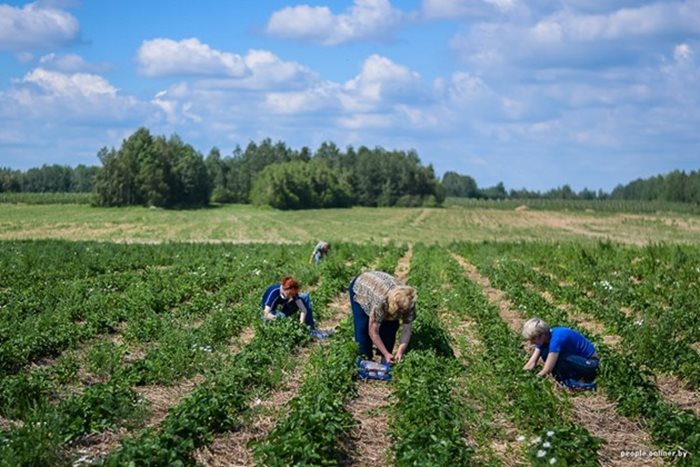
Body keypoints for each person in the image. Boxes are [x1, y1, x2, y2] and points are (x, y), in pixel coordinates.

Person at [349, 271, 416, 364]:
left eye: (403, 311)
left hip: (380, 287)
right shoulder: (381, 302)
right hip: (362, 286)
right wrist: (386, 353)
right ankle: (365, 358)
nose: (401, 313)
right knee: (363, 326)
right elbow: (373, 332)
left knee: (391, 326)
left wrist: (400, 351)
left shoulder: (409, 301)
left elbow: (407, 330)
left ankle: (385, 359)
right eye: (399, 311)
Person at [522, 317, 599, 383]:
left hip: (590, 364)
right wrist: (521, 376)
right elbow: (531, 363)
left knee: (559, 358)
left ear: (542, 335)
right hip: (576, 360)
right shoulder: (544, 339)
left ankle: (574, 381)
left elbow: (547, 369)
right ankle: (566, 378)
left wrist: (533, 380)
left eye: (533, 339)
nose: (531, 342)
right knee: (545, 352)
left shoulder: (556, 339)